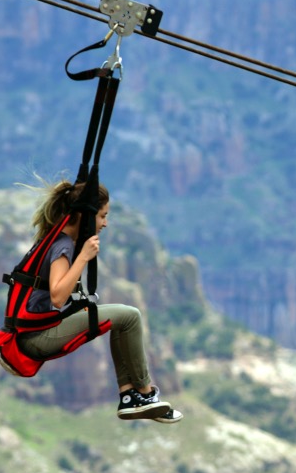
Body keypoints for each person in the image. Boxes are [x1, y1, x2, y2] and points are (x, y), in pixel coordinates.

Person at [17, 179, 182, 423]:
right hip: (37, 338)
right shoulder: (62, 245)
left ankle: (129, 396)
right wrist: (83, 256)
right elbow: (58, 296)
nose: (105, 223)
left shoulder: (58, 239)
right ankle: (145, 393)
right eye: (102, 216)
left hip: (35, 331)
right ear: (85, 215)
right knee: (130, 316)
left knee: (120, 319)